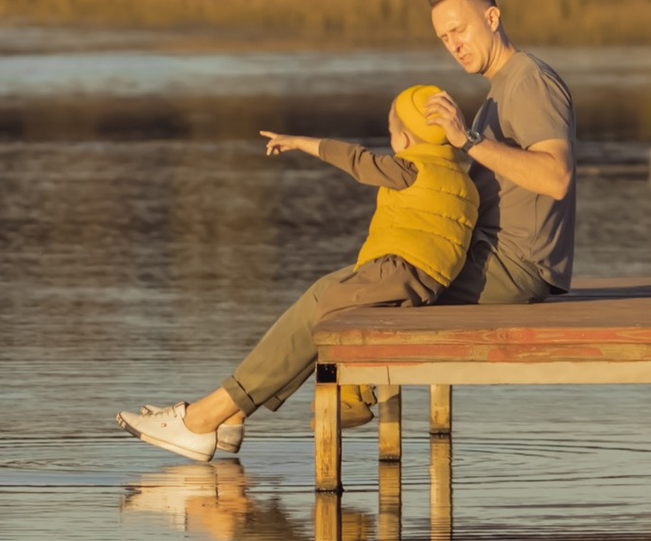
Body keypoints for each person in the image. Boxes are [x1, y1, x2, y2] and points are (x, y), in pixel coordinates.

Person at [115, 83, 476, 462]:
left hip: (399, 270)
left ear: (403, 137)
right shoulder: (459, 176)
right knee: (324, 289)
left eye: (391, 133)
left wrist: (300, 141)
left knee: (327, 306)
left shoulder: (410, 169)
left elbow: (356, 160)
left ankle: (213, 418)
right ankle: (233, 414)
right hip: (415, 273)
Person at [425, 0, 576, 302]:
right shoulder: (502, 87)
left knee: (359, 291)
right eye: (444, 37)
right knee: (367, 280)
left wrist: (467, 140)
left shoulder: (530, 80)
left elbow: (556, 177)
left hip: (514, 268)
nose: (454, 46)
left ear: (491, 17)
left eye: (459, 30)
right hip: (489, 259)